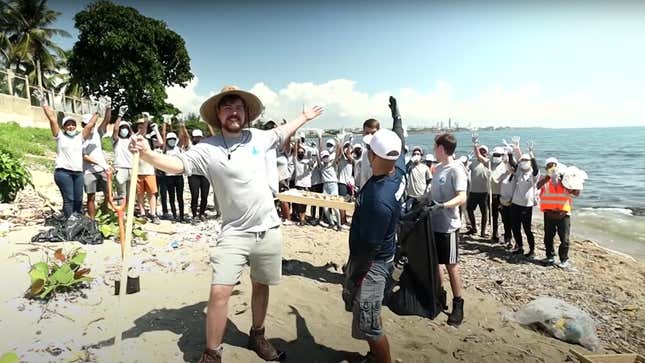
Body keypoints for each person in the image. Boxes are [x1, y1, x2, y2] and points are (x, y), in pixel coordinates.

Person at [130, 85, 323, 363]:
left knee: (260, 284)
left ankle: (257, 334)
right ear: (218, 114)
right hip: (233, 233)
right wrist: (148, 155)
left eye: (239, 107)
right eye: (227, 107)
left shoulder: (259, 137)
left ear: (246, 113)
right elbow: (175, 164)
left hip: (268, 230)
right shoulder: (207, 148)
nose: (234, 112)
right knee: (220, 291)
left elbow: (282, 131)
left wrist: (303, 116)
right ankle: (212, 353)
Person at [343, 96, 405, 363]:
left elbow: (366, 249)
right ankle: (372, 356)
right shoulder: (397, 170)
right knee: (369, 312)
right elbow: (399, 135)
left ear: (372, 155)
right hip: (386, 253)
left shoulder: (377, 200)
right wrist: (396, 116)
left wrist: (353, 277)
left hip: (373, 264)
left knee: (370, 323)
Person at [39, 92, 99, 218]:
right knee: (69, 199)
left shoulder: (79, 137)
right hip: (63, 173)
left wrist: (98, 110)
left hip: (78, 173)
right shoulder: (59, 136)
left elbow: (90, 125)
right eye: (68, 125)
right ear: (64, 127)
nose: (71, 127)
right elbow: (52, 119)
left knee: (78, 199)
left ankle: (76, 222)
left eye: (73, 124)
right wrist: (44, 104)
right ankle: (69, 224)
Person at [429, 133, 468, 326]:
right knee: (436, 263)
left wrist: (443, 206)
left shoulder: (456, 169)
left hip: (449, 226)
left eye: (435, 147)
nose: (433, 150)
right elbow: (432, 194)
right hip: (433, 224)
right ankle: (440, 295)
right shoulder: (438, 169)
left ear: (442, 149)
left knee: (451, 265)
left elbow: (462, 197)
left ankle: (458, 304)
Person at [537, 159, 584, 269]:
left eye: (553, 166)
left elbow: (576, 193)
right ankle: (550, 257)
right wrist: (547, 178)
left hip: (564, 214)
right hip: (549, 213)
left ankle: (563, 260)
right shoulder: (544, 179)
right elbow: (537, 186)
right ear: (546, 168)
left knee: (565, 239)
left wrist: (572, 182)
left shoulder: (565, 179)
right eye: (548, 166)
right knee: (548, 237)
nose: (551, 168)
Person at [81, 101, 112, 218]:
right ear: (83, 125)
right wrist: (99, 163)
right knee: (91, 197)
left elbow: (106, 121)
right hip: (89, 171)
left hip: (102, 170)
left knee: (109, 194)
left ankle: (106, 213)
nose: (91, 127)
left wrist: (108, 107)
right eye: (88, 124)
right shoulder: (80, 138)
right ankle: (92, 220)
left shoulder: (97, 133)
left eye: (93, 124)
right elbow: (84, 157)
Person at [509, 140, 539, 258]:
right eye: (522, 160)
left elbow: (536, 168)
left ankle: (532, 250)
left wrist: (531, 154)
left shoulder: (533, 174)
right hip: (515, 204)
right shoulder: (519, 172)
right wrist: (512, 152)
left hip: (527, 205)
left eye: (526, 160)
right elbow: (513, 163)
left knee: (527, 229)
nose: (523, 162)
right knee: (515, 227)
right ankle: (520, 247)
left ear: (530, 162)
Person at [134, 114, 162, 224]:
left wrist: (156, 130)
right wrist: (146, 121)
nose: (141, 127)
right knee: (140, 193)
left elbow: (160, 142)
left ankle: (153, 213)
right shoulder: (135, 137)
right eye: (139, 126)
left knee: (152, 193)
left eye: (143, 125)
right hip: (138, 171)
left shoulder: (149, 140)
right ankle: (142, 213)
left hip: (149, 171)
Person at [163, 120, 190, 223]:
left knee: (180, 197)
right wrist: (165, 124)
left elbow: (183, 137)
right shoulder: (165, 149)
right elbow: (163, 135)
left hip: (178, 176)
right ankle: (174, 215)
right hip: (168, 176)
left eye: (173, 139)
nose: (171, 141)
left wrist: (182, 126)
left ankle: (181, 216)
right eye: (169, 139)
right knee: (171, 197)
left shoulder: (178, 148)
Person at [466, 136, 491, 238]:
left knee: (484, 213)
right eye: (480, 151)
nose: (481, 152)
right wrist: (467, 161)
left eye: (484, 151)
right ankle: (474, 228)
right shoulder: (473, 163)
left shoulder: (488, 162)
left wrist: (475, 144)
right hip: (473, 191)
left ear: (487, 153)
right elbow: (465, 170)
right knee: (469, 209)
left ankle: (483, 232)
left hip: (484, 192)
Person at [317, 132, 342, 230]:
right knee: (325, 206)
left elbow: (338, 154)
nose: (325, 158)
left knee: (335, 205)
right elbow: (319, 152)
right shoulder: (321, 165)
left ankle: (339, 225)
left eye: (327, 156)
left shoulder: (332, 164)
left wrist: (339, 142)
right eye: (324, 157)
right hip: (325, 186)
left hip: (333, 184)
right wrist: (320, 138)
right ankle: (331, 223)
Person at [188, 129, 211, 222]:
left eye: (199, 137)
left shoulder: (207, 147)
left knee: (204, 196)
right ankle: (194, 215)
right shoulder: (190, 147)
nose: (197, 139)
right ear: (193, 138)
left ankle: (202, 213)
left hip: (205, 174)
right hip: (193, 174)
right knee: (195, 195)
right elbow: (184, 138)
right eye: (195, 137)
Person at [111, 106, 132, 202]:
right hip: (120, 168)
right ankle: (121, 213)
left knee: (131, 193)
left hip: (132, 168)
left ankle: (128, 213)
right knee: (121, 193)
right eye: (122, 128)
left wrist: (145, 121)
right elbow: (115, 130)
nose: (124, 130)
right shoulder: (116, 140)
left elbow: (142, 133)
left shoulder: (131, 140)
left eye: (126, 128)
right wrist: (120, 115)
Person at [355, 118, 380, 190]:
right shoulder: (364, 152)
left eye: (373, 133)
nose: (369, 136)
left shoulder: (382, 154)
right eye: (367, 133)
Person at [405, 146, 432, 210]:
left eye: (418, 154)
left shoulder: (425, 167)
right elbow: (404, 169)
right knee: (408, 214)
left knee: (419, 214)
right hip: (410, 195)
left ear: (421, 156)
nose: (416, 156)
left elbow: (429, 180)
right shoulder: (410, 166)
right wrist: (411, 161)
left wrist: (426, 193)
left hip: (421, 196)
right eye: (414, 154)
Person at [337, 140, 354, 226]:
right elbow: (340, 152)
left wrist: (349, 143)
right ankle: (342, 220)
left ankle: (344, 219)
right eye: (345, 146)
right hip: (341, 183)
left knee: (347, 202)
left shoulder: (350, 159)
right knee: (342, 203)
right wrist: (341, 142)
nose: (347, 148)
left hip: (349, 184)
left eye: (348, 147)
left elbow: (348, 154)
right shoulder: (340, 158)